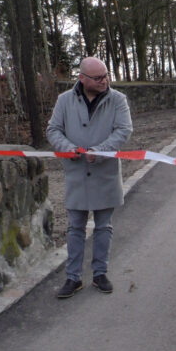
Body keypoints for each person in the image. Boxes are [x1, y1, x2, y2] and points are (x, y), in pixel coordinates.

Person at [47, 56, 133, 299]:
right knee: (75, 227)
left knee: (103, 226)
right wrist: (68, 147)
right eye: (98, 78)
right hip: (76, 174)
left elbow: (124, 130)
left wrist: (102, 150)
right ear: (82, 79)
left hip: (104, 173)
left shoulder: (118, 100)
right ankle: (73, 278)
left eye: (106, 75)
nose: (104, 80)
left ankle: (100, 273)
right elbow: (53, 129)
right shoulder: (64, 100)